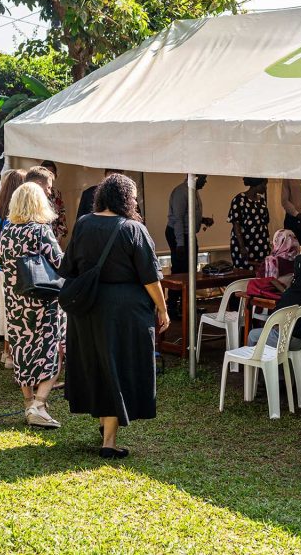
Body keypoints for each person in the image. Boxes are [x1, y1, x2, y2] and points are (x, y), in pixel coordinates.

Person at [61, 174, 169, 458]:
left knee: (96, 364)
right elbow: (150, 278)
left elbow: (68, 265)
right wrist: (162, 307)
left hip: (87, 308)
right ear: (123, 198)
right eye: (133, 196)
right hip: (124, 311)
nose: (136, 201)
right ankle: (108, 442)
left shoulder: (83, 224)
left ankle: (103, 424)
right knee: (118, 367)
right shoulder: (133, 229)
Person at [0, 182, 66, 428]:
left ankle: (29, 403)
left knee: (22, 351)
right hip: (42, 300)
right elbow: (60, 262)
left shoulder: (6, 231)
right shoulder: (40, 230)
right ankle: (39, 405)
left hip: (16, 301)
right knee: (51, 351)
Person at [0, 168, 27, 368]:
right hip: (13, 267)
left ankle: (6, 353)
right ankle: (11, 355)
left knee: (5, 311)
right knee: (15, 313)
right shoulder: (18, 211)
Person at [247, 254, 301, 350]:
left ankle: (257, 363)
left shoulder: (293, 293)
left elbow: (276, 318)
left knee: (252, 334)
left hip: (289, 340)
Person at [166, 174, 213, 316]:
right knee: (180, 273)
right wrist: (180, 244)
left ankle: (188, 306)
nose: (206, 181)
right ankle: (173, 308)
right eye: (204, 178)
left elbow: (188, 215)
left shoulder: (193, 191)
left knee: (190, 271)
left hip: (188, 234)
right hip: (179, 235)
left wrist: (203, 220)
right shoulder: (181, 192)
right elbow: (178, 220)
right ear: (195, 177)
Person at [227, 178, 270, 270]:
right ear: (256, 183)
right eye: (264, 184)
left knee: (260, 272)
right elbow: (236, 224)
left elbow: (266, 221)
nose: (265, 188)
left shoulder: (262, 201)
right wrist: (242, 247)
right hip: (244, 244)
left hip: (261, 244)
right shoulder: (239, 199)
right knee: (244, 273)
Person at [40, 160, 68, 239]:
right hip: (39, 236)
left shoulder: (57, 193)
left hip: (54, 236)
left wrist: (60, 235)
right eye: (45, 173)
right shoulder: (35, 192)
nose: (49, 176)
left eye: (51, 173)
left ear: (55, 175)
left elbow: (62, 214)